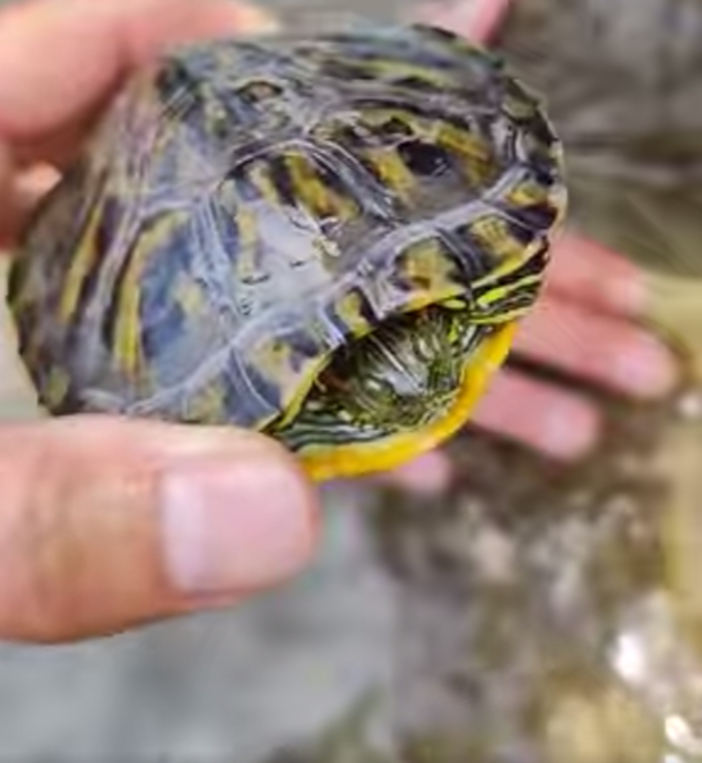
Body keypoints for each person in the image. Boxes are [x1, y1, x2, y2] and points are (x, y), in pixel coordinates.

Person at [0, 0, 676, 644]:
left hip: (295, 100)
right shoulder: (248, 428)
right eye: (392, 376)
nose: (421, 384)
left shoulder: (463, 293)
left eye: (421, 350)